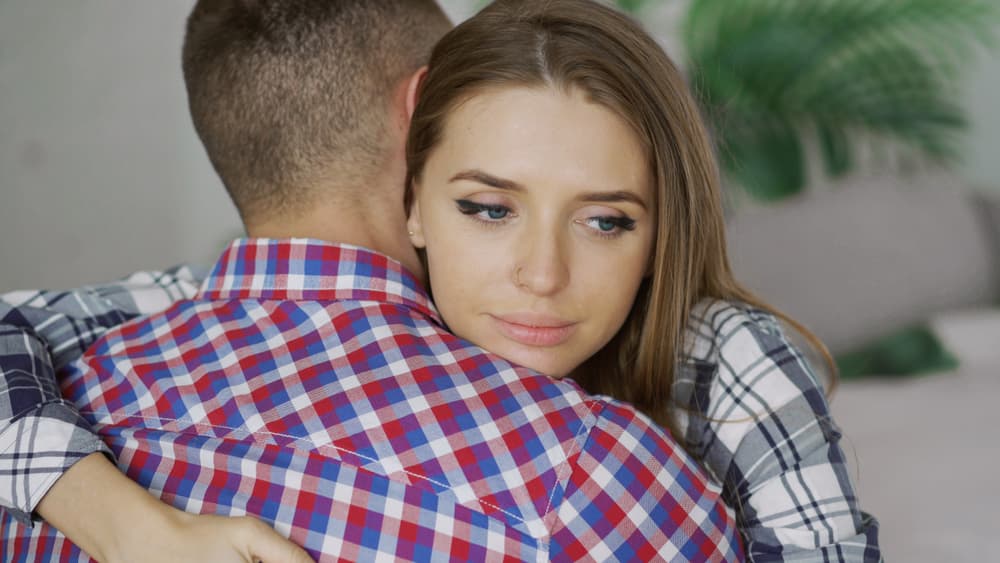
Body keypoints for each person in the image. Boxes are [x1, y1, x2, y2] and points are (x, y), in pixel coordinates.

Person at [0, 0, 881, 560]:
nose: (543, 276)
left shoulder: (93, 364)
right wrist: (123, 520)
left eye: (608, 219)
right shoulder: (599, 482)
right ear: (415, 171)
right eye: (489, 207)